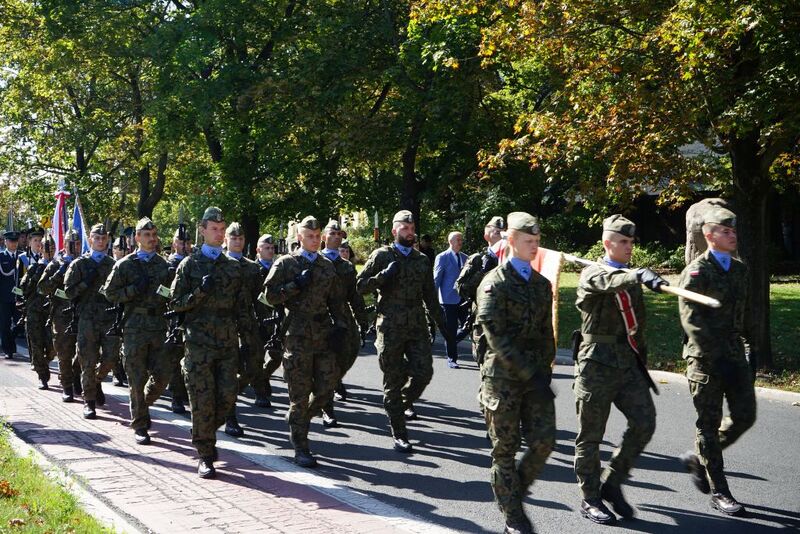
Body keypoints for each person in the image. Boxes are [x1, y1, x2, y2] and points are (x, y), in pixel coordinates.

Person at [573, 215, 668, 525]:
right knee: (591, 436)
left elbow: (638, 326)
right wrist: (637, 275)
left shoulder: (630, 278)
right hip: (596, 364)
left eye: (631, 242)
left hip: (627, 363)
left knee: (645, 422)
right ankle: (590, 497)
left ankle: (612, 482)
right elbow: (608, 282)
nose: (629, 247)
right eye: (623, 241)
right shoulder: (592, 273)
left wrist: (642, 361)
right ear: (607, 243)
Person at [475, 212, 555, 534]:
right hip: (503, 380)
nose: (534, 246)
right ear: (510, 240)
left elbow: (547, 334)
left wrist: (544, 371)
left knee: (544, 442)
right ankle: (513, 516)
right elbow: (495, 337)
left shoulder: (541, 284)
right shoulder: (494, 283)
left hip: (534, 378)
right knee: (505, 451)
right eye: (528, 240)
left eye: (537, 241)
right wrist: (528, 372)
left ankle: (511, 491)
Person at [677, 207, 756, 517]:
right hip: (705, 360)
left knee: (744, 416)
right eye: (725, 231)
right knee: (708, 425)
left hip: (734, 354)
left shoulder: (740, 271)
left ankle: (699, 457)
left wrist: (750, 347)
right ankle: (720, 491)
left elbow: (744, 314)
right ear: (709, 235)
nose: (732, 235)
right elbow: (691, 321)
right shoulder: (697, 272)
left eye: (733, 230)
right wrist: (714, 353)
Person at [356, 210, 451, 452]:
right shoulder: (382, 255)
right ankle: (399, 432)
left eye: (412, 229)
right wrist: (382, 276)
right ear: (394, 231)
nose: (410, 233)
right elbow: (360, 286)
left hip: (416, 325)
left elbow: (430, 295)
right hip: (390, 327)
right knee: (394, 379)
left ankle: (401, 403)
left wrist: (444, 326)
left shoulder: (422, 260)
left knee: (424, 372)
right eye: (405, 228)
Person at [170, 207, 251, 478]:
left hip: (227, 343)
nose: (219, 234)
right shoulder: (189, 265)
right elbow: (176, 303)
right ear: (202, 230)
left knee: (227, 398)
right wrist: (199, 292)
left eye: (221, 229)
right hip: (198, 344)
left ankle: (202, 431)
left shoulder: (233, 267)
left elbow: (243, 308)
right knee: (202, 400)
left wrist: (250, 342)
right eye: (214, 229)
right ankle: (205, 454)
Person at [264, 216, 347, 468]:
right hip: (297, 335)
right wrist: (294, 285)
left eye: (317, 236)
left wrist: (341, 325)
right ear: (300, 237)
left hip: (322, 334)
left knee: (326, 389)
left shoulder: (327, 266)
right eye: (309, 236)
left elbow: (336, 300)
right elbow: (269, 296)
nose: (314, 240)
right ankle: (301, 446)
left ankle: (298, 419)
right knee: (299, 395)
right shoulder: (286, 263)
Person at [101, 217, 172, 445]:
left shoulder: (164, 265)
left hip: (158, 326)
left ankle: (143, 405)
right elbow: (110, 293)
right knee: (136, 378)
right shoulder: (125, 264)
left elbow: (172, 294)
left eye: (154, 235)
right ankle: (140, 424)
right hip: (134, 327)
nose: (152, 239)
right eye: (147, 235)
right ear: (137, 238)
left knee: (162, 376)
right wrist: (132, 290)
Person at [64, 224, 120, 419]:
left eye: (103, 238)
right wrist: (84, 282)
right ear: (90, 240)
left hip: (109, 319)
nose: (100, 241)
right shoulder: (79, 264)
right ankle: (89, 402)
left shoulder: (114, 265)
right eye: (97, 238)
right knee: (88, 361)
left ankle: (95, 382)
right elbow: (68, 292)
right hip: (87, 320)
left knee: (111, 358)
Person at [319, 220, 369, 426]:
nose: (336, 237)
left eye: (339, 234)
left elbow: (354, 296)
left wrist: (362, 320)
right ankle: (327, 408)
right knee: (326, 363)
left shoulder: (346, 266)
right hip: (321, 319)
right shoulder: (316, 261)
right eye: (332, 233)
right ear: (324, 237)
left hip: (342, 318)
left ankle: (334, 382)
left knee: (347, 354)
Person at [221, 222, 263, 437]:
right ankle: (230, 416)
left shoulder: (252, 267)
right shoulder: (218, 264)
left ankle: (225, 399)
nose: (237, 242)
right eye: (233, 238)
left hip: (248, 326)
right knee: (228, 371)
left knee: (252, 367)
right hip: (224, 325)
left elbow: (260, 298)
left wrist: (269, 320)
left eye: (240, 238)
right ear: (226, 240)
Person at [38, 229, 82, 401]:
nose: (75, 247)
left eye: (78, 243)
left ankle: (76, 374)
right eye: (72, 243)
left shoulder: (85, 263)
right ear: (65, 244)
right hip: (61, 315)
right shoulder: (56, 264)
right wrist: (59, 273)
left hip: (83, 314)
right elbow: (43, 288)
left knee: (84, 351)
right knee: (64, 352)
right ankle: (67, 385)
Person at [456, 216, 504, 367]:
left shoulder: (514, 260)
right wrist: (482, 272)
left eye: (504, 232)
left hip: (508, 322)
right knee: (487, 368)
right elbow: (462, 288)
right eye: (497, 232)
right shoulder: (477, 259)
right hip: (485, 320)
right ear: (486, 236)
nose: (502, 235)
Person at [19, 230, 53, 388]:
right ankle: (42, 375)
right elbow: (24, 288)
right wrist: (36, 273)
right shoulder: (34, 267)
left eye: (51, 248)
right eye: (45, 247)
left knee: (53, 347)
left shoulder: (59, 267)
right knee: (36, 345)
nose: (48, 250)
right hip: (34, 312)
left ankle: (44, 363)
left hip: (52, 313)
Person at [165, 226, 191, 414]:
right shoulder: (168, 264)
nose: (184, 245)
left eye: (187, 242)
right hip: (173, 316)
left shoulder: (194, 263)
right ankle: (176, 396)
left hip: (191, 315)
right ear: (174, 243)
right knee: (174, 357)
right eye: (181, 242)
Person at [254, 233, 282, 407]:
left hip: (276, 320)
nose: (270, 251)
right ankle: (260, 392)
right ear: (258, 250)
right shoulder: (253, 269)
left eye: (272, 248)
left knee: (277, 356)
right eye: (267, 248)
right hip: (258, 320)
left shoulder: (278, 268)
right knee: (257, 358)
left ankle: (264, 377)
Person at [434, 231, 468, 369]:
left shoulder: (465, 257)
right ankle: (452, 359)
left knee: (468, 326)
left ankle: (452, 340)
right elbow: (437, 278)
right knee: (451, 329)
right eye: (458, 239)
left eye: (461, 239)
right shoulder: (442, 257)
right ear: (450, 241)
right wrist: (432, 299)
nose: (460, 242)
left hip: (463, 299)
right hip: (447, 300)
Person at [0, 230, 23, 359]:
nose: (13, 243)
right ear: (5, 242)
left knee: (20, 324)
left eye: (15, 241)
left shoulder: (23, 256)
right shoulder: (1, 257)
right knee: (4, 325)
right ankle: (8, 350)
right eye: (11, 241)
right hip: (4, 297)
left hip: (19, 297)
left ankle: (10, 341)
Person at [110, 235, 130, 387]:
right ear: (114, 250)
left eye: (125, 249)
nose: (123, 251)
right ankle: (116, 372)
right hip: (110, 310)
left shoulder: (131, 265)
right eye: (119, 248)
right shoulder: (110, 265)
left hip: (127, 309)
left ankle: (123, 370)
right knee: (113, 343)